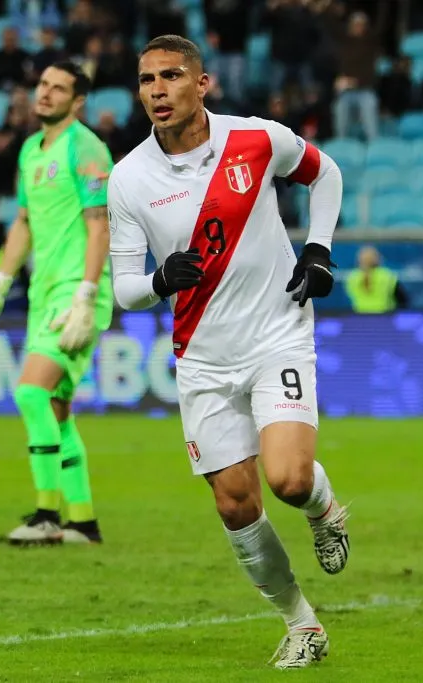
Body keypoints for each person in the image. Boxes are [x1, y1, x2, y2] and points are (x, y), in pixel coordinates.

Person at [108, 35, 350, 669]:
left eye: (170, 76)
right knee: (235, 504)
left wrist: (319, 250)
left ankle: (323, 508)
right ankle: (303, 626)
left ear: (202, 83)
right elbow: (126, 289)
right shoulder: (129, 177)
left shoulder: (256, 140)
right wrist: (162, 280)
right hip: (204, 359)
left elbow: (326, 173)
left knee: (289, 480)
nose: (156, 90)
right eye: (145, 80)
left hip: (278, 333)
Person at [0, 61, 114, 546]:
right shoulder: (31, 150)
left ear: (78, 102)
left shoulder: (87, 146)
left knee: (30, 393)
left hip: (77, 289)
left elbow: (100, 223)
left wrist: (87, 293)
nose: (46, 93)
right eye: (43, 85)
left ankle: (47, 515)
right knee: (56, 407)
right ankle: (84, 521)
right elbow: (24, 223)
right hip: (42, 291)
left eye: (59, 88)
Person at [344, 246, 409, 313]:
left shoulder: (352, 277)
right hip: (385, 317)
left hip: (360, 317)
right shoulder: (387, 275)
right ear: (377, 259)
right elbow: (403, 300)